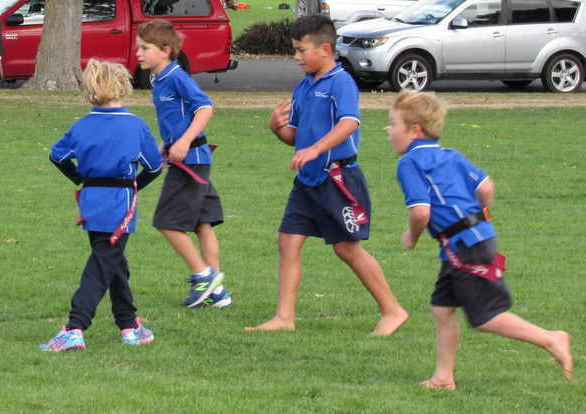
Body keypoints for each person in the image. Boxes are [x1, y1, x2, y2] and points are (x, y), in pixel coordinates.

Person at [388, 90, 572, 389]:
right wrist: (478, 219)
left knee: (485, 317)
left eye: (394, 124)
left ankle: (551, 338)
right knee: (442, 308)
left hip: (464, 246)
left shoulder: (410, 162)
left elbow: (421, 212)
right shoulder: (451, 155)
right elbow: (486, 187)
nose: (389, 131)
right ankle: (443, 378)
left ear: (414, 131)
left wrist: (411, 237)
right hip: (472, 239)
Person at [246, 14, 407, 334]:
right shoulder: (303, 87)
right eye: (294, 50)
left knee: (346, 248)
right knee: (288, 241)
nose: (296, 57)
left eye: (301, 50)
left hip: (338, 179)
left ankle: (393, 311)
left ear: (325, 49)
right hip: (307, 180)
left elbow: (349, 122)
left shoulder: (341, 82)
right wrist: (276, 127)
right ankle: (284, 319)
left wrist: (316, 150)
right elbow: (296, 137)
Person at [40, 59, 163, 352]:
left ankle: (129, 325)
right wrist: (134, 186)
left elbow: (57, 156)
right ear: (123, 87)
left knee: (113, 263)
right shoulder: (135, 125)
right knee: (101, 266)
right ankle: (75, 327)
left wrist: (80, 178)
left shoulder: (82, 125)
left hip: (91, 203)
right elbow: (155, 166)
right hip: (120, 206)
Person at [135, 19, 231, 309]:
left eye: (144, 48)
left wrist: (184, 142)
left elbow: (204, 108)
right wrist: (167, 143)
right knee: (203, 224)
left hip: (192, 162)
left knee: (166, 221)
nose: (138, 53)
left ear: (165, 50)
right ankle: (216, 293)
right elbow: (178, 117)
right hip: (189, 159)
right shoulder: (159, 79)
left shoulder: (176, 76)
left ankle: (203, 277)